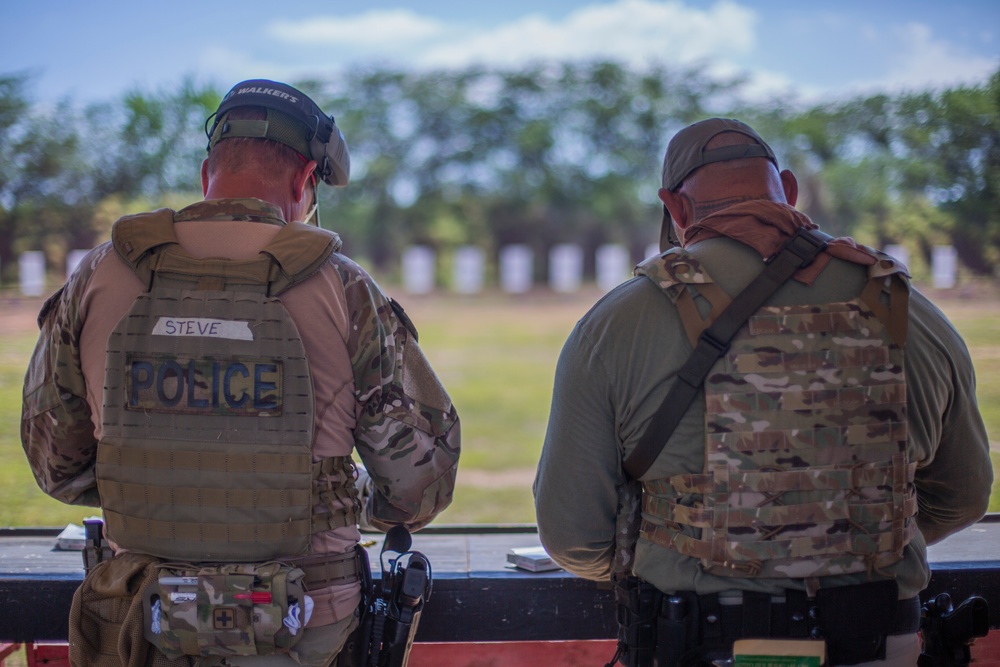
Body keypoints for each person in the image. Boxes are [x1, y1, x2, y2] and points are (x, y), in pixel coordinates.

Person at [21, 79, 461, 666]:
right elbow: (417, 487)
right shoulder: (343, 286)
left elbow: (56, 465)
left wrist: (164, 484)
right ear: (306, 181)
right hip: (304, 628)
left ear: (209, 174)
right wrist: (342, 497)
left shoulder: (100, 275)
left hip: (138, 620)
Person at [534, 118, 992, 666]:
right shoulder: (907, 309)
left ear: (675, 211)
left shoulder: (619, 323)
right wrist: (846, 541)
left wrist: (678, 552)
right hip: (878, 640)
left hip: (698, 641)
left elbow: (573, 537)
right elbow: (963, 495)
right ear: (790, 192)